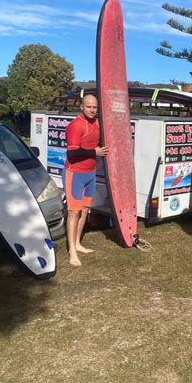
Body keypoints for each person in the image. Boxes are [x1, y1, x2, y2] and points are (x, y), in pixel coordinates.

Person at [63, 94, 108, 266]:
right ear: (81, 107)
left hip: (90, 173)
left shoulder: (97, 123)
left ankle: (77, 244)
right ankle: (72, 252)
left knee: (84, 210)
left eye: (95, 107)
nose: (92, 109)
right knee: (74, 212)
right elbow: (72, 153)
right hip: (75, 174)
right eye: (88, 106)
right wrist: (94, 152)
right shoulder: (75, 126)